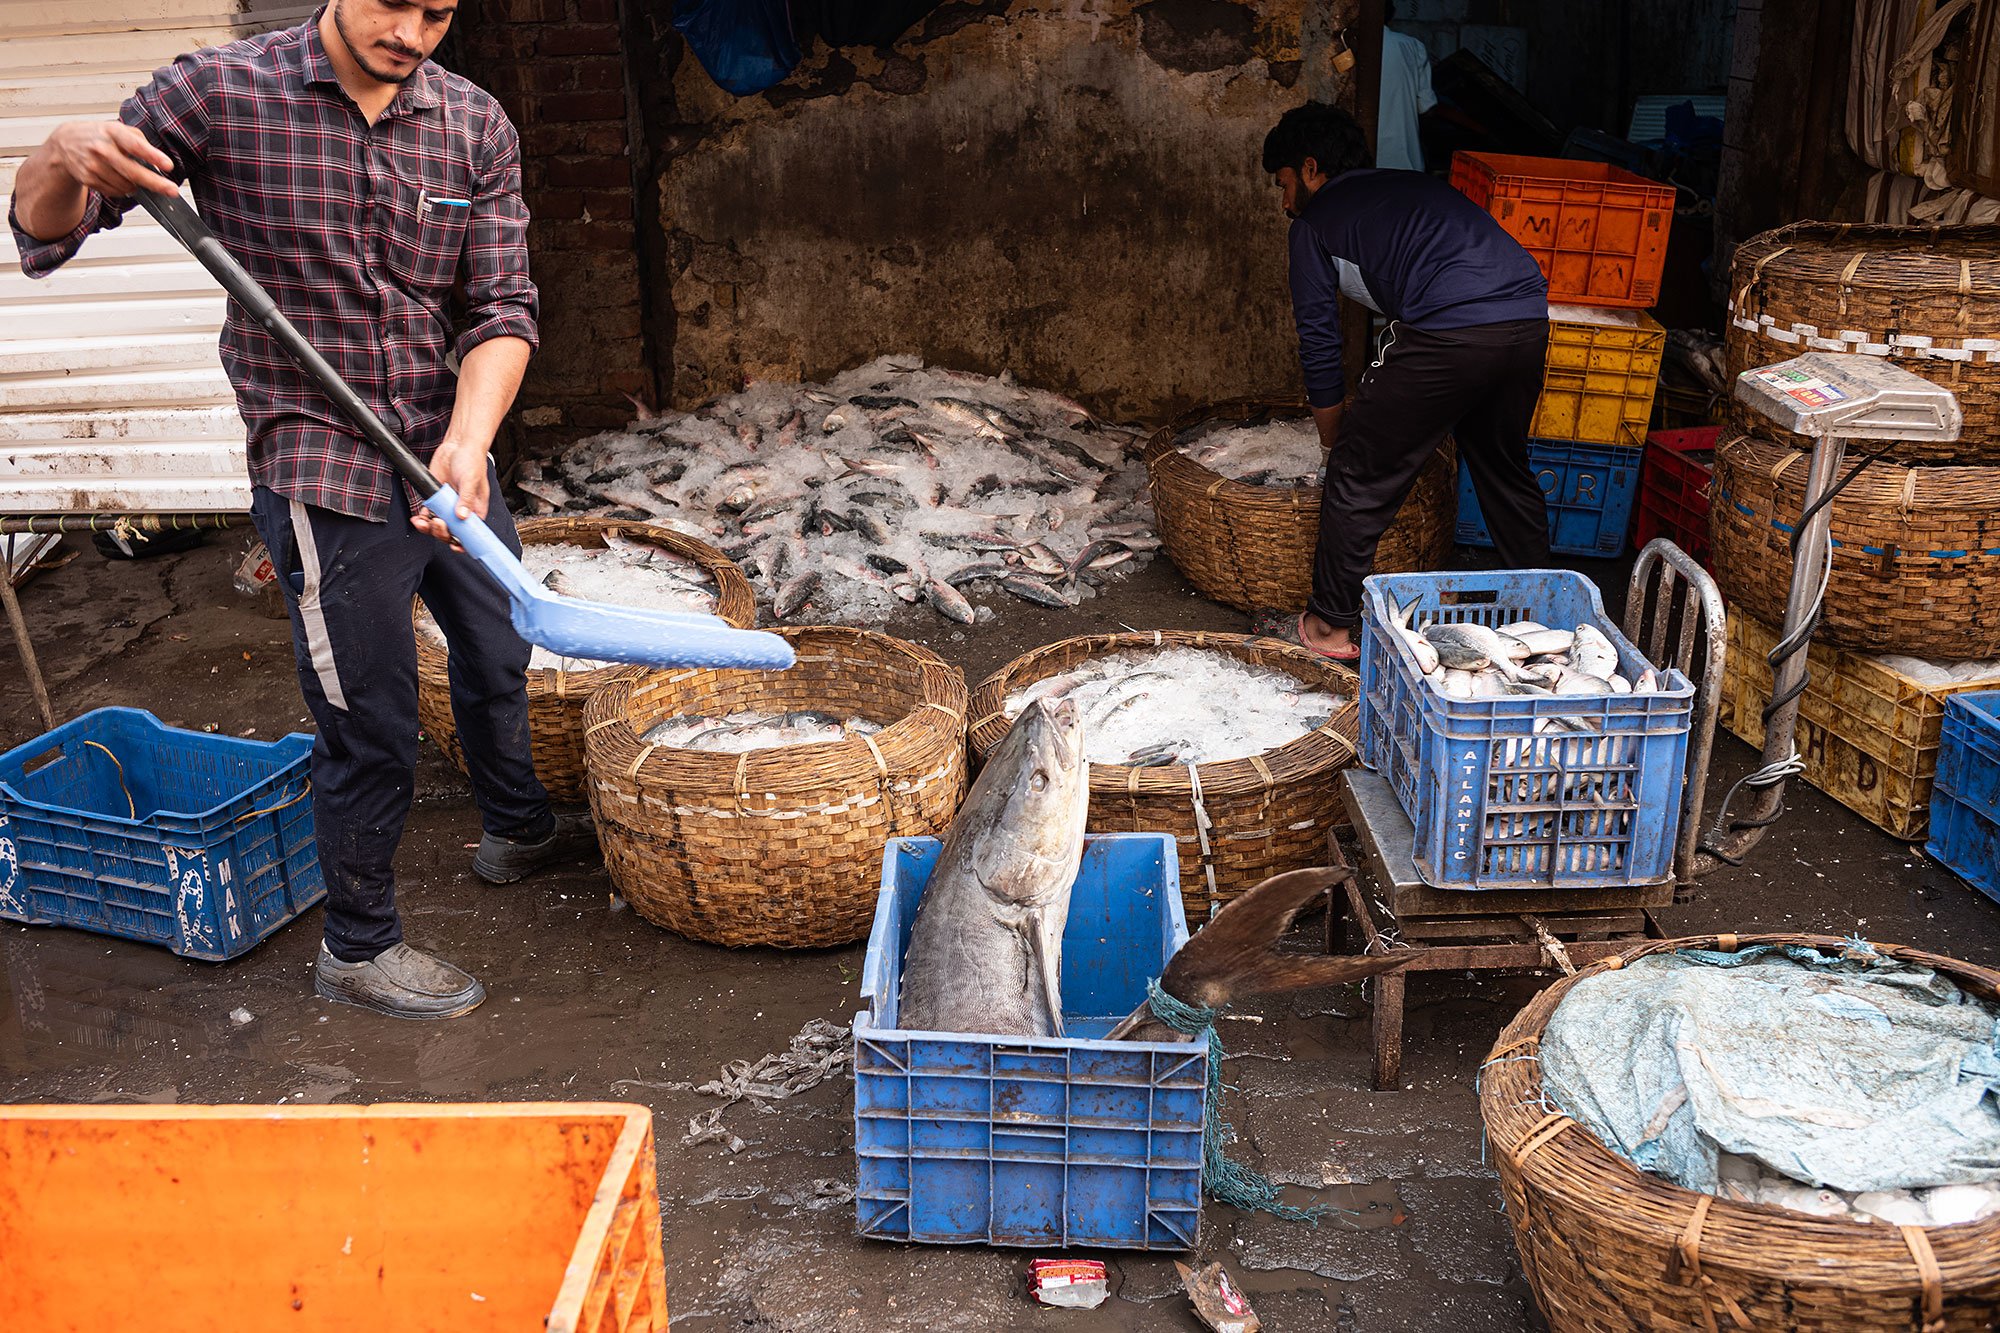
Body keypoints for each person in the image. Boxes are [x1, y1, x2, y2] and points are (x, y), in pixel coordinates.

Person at [10, 0, 597, 1020]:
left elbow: (503, 307)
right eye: (394, 3)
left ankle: (516, 826)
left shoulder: (472, 122)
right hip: (325, 466)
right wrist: (62, 152)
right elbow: (42, 230)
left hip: (447, 445)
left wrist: (468, 442)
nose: (412, 33)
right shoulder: (220, 92)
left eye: (439, 13)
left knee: (501, 649)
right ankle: (358, 945)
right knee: (368, 717)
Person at [1263, 101, 1552, 662]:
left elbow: (1320, 343)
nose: (1283, 202)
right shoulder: (1409, 189)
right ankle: (1548, 612)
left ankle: (1329, 630)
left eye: (1283, 184)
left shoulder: (1316, 223)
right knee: (1501, 464)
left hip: (1449, 328)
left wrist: (1332, 442)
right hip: (1526, 319)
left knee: (1357, 472)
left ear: (1310, 168)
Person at [1375, 3, 1437, 172]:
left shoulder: (1348, 46)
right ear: (1392, 13)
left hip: (1360, 166)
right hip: (1405, 163)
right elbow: (1427, 108)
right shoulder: (1412, 47)